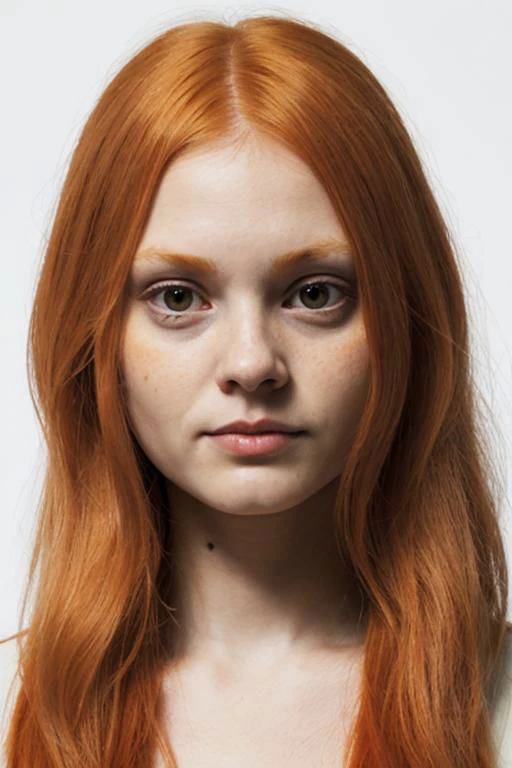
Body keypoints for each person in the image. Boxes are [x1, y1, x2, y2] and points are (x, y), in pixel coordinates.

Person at [1, 13, 511, 767]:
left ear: (407, 319)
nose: (252, 362)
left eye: (314, 294)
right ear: (92, 337)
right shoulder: (11, 704)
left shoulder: (496, 704)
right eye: (177, 298)